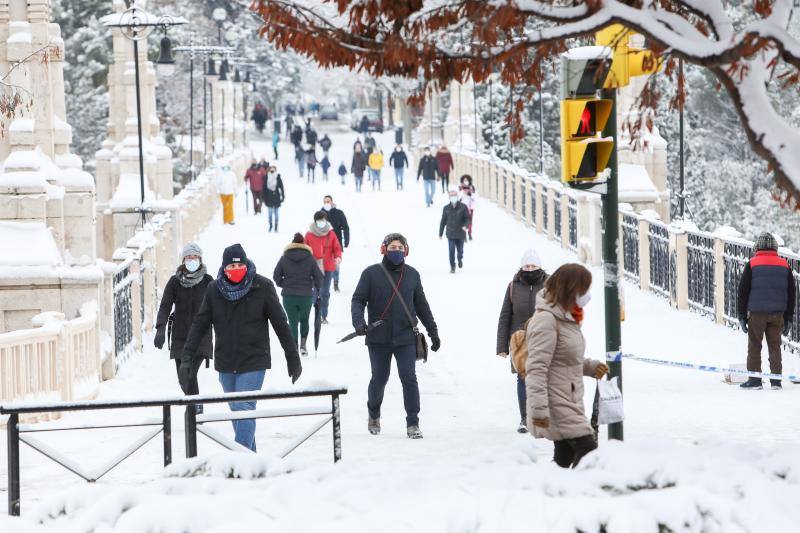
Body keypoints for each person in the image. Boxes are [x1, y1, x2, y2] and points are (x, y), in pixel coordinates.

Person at [180, 243, 302, 452]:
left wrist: (293, 357)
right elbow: (200, 324)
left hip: (254, 359)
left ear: (246, 266)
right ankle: (251, 459)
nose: (236, 272)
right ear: (223, 269)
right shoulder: (214, 290)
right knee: (237, 412)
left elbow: (281, 323)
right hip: (226, 362)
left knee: (244, 408)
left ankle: (240, 461)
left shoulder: (262, 286)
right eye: (231, 269)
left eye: (240, 268)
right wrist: (187, 358)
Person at [351, 233, 440, 439]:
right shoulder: (370, 274)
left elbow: (422, 306)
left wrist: (433, 331)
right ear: (384, 249)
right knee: (380, 379)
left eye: (401, 247)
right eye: (393, 247)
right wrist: (359, 322)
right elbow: (358, 300)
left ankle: (413, 423)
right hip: (378, 338)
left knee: (409, 378)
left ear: (406, 251)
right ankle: (373, 414)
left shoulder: (412, 275)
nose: (397, 251)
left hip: (405, 338)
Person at [525, 263, 608, 468]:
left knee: (565, 456)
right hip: (555, 401)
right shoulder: (547, 320)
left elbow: (563, 360)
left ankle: (552, 495)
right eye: (584, 289)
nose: (586, 295)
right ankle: (581, 493)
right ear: (571, 289)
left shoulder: (566, 317)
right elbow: (536, 368)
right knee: (588, 450)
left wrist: (590, 367)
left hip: (569, 397)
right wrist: (539, 411)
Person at [155, 243, 214, 409]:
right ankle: (195, 404)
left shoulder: (208, 282)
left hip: (201, 337)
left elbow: (217, 307)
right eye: (189, 257)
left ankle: (195, 408)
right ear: (183, 260)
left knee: (190, 373)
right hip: (180, 336)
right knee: (182, 377)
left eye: (195, 257)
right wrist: (160, 328)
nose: (192, 260)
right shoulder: (175, 282)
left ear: (200, 259)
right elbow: (165, 305)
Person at [496, 249, 548, 433]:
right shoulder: (513, 286)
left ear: (539, 267)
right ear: (521, 267)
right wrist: (502, 346)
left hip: (544, 339)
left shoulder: (549, 285)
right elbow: (505, 316)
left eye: (533, 266)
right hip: (519, 341)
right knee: (523, 378)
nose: (530, 269)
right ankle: (525, 419)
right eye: (527, 265)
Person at [737, 232, 796, 390]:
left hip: (757, 314)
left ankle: (755, 380)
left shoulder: (752, 263)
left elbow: (743, 291)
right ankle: (776, 381)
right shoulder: (784, 264)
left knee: (755, 345)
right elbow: (792, 292)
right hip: (778, 314)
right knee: (775, 346)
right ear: (775, 248)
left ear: (758, 247)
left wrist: (742, 315)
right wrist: (789, 317)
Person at [274, 233, 324, 357]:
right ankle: (303, 345)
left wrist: (284, 284)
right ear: (304, 244)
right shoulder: (310, 258)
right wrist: (315, 286)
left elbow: (276, 276)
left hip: (288, 296)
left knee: (292, 321)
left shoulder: (284, 258)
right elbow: (319, 276)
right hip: (306, 295)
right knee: (304, 319)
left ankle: (294, 346)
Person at [305, 211, 343, 324]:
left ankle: (323, 315)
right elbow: (304, 249)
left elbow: (337, 248)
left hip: (328, 267)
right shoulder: (309, 234)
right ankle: (316, 309)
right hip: (313, 268)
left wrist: (338, 257)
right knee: (315, 291)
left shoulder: (331, 234)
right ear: (315, 221)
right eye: (319, 220)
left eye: (323, 220)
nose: (321, 222)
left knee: (325, 292)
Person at [322, 195, 350, 292]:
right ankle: (324, 283)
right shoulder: (320, 214)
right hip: (323, 245)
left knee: (336, 264)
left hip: (337, 243)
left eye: (328, 201)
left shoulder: (339, 213)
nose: (326, 203)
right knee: (324, 264)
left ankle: (336, 282)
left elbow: (345, 227)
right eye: (325, 202)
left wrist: (346, 240)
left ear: (332, 202)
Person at [439, 188, 470, 274]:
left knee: (460, 250)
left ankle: (460, 258)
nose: (453, 197)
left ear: (457, 196)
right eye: (451, 196)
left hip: (460, 233)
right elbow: (443, 221)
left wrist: (465, 226)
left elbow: (468, 218)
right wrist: (440, 233)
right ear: (449, 197)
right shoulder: (446, 208)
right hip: (450, 233)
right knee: (451, 250)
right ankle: (452, 266)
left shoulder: (463, 207)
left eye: (454, 196)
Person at [262, 165, 284, 232]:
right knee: (270, 214)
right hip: (269, 198)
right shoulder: (266, 177)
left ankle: (276, 227)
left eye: (273, 169)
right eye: (271, 169)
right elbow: (264, 189)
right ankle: (271, 225)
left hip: (276, 197)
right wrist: (264, 198)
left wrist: (283, 196)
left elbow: (281, 187)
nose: (272, 170)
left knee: (277, 215)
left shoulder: (277, 177)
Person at [460, 175, 476, 240]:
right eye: (464, 180)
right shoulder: (460, 187)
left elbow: (475, 197)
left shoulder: (472, 187)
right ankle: (464, 234)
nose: (466, 181)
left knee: (469, 221)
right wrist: (463, 193)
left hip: (470, 208)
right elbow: (458, 196)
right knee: (463, 221)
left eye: (467, 180)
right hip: (462, 208)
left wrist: (470, 194)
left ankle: (469, 233)